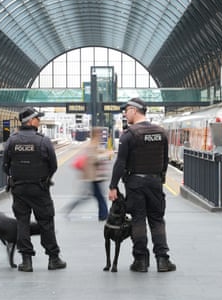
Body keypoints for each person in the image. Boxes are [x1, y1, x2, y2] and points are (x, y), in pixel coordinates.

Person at [108, 97, 176, 272]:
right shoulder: (161, 132)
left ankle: (140, 261)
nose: (125, 114)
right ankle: (162, 260)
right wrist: (159, 179)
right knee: (157, 219)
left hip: (135, 183)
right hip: (155, 182)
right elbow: (165, 160)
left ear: (134, 110)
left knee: (138, 220)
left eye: (126, 110)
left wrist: (113, 186)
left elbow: (120, 163)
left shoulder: (129, 135)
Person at [3, 107, 66, 272]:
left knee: (22, 223)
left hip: (19, 189)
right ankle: (53, 259)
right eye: (37, 118)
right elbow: (53, 165)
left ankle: (26, 261)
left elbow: (5, 166)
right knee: (46, 222)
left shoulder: (12, 141)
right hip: (39, 189)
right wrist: (45, 178)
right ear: (30, 121)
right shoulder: (43, 141)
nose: (39, 121)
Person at [66, 127, 109, 220]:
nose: (102, 136)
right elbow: (94, 159)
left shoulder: (94, 144)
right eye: (100, 134)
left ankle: (103, 214)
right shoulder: (92, 145)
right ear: (96, 135)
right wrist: (105, 155)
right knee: (99, 196)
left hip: (93, 176)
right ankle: (104, 215)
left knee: (92, 196)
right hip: (93, 176)